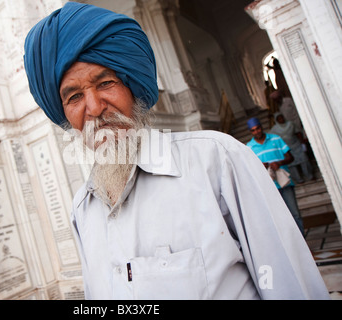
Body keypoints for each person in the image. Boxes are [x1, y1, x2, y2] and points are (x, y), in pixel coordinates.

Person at [24, 2, 329, 299]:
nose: (94, 108)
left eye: (105, 83)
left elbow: (290, 283)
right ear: (64, 113)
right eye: (74, 96)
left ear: (132, 87)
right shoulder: (83, 208)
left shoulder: (216, 160)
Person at [246, 117, 305, 236]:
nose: (256, 132)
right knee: (279, 217)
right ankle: (290, 244)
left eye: (258, 128)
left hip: (285, 182)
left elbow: (291, 158)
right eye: (253, 130)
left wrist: (279, 163)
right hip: (268, 186)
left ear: (261, 127)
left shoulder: (275, 139)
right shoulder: (249, 147)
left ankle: (303, 242)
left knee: (295, 214)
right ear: (250, 132)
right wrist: (259, 166)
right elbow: (248, 169)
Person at [270, 112, 314, 183]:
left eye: (281, 117)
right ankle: (298, 179)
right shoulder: (274, 129)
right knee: (291, 165)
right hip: (286, 149)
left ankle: (310, 175)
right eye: (279, 118)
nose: (281, 119)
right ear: (276, 120)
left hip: (296, 145)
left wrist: (302, 142)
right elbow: (272, 140)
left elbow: (298, 133)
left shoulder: (291, 124)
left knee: (304, 160)